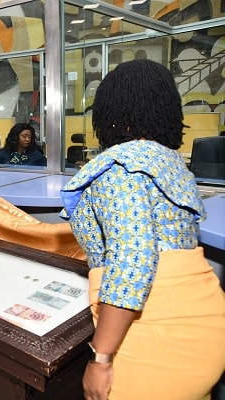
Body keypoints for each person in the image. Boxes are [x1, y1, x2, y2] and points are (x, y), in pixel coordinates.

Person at [60, 59, 225, 400]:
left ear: (110, 114)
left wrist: (101, 359)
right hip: (207, 322)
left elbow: (133, 262)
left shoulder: (118, 170)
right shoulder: (172, 165)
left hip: (156, 333)